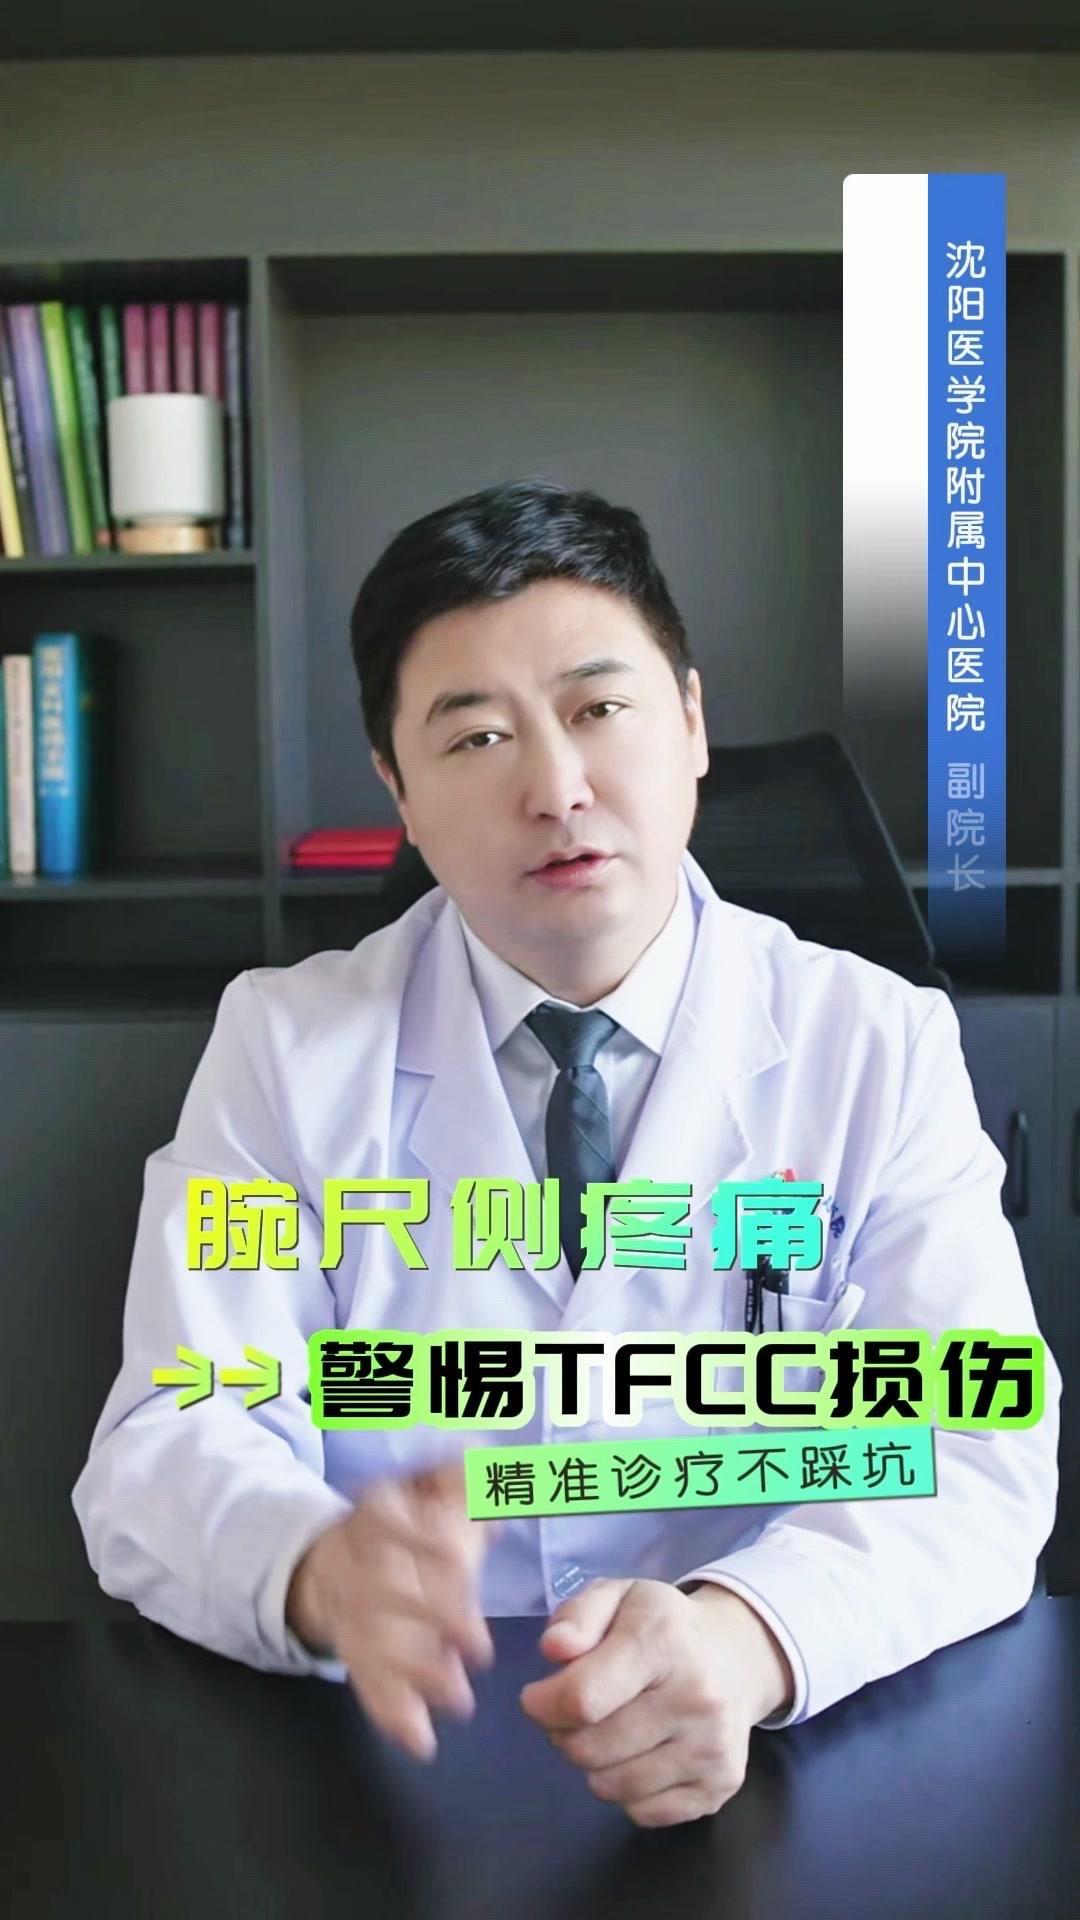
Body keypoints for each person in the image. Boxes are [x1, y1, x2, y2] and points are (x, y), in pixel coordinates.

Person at [73, 480, 1060, 1830]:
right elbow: (167, 1440)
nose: (557, 788)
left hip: (784, 1758)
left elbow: (978, 1448)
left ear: (693, 723)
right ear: (398, 791)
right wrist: (312, 1568)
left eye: (599, 709)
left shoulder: (876, 1044)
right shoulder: (286, 1047)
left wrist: (745, 1637)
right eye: (476, 736)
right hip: (397, 1770)